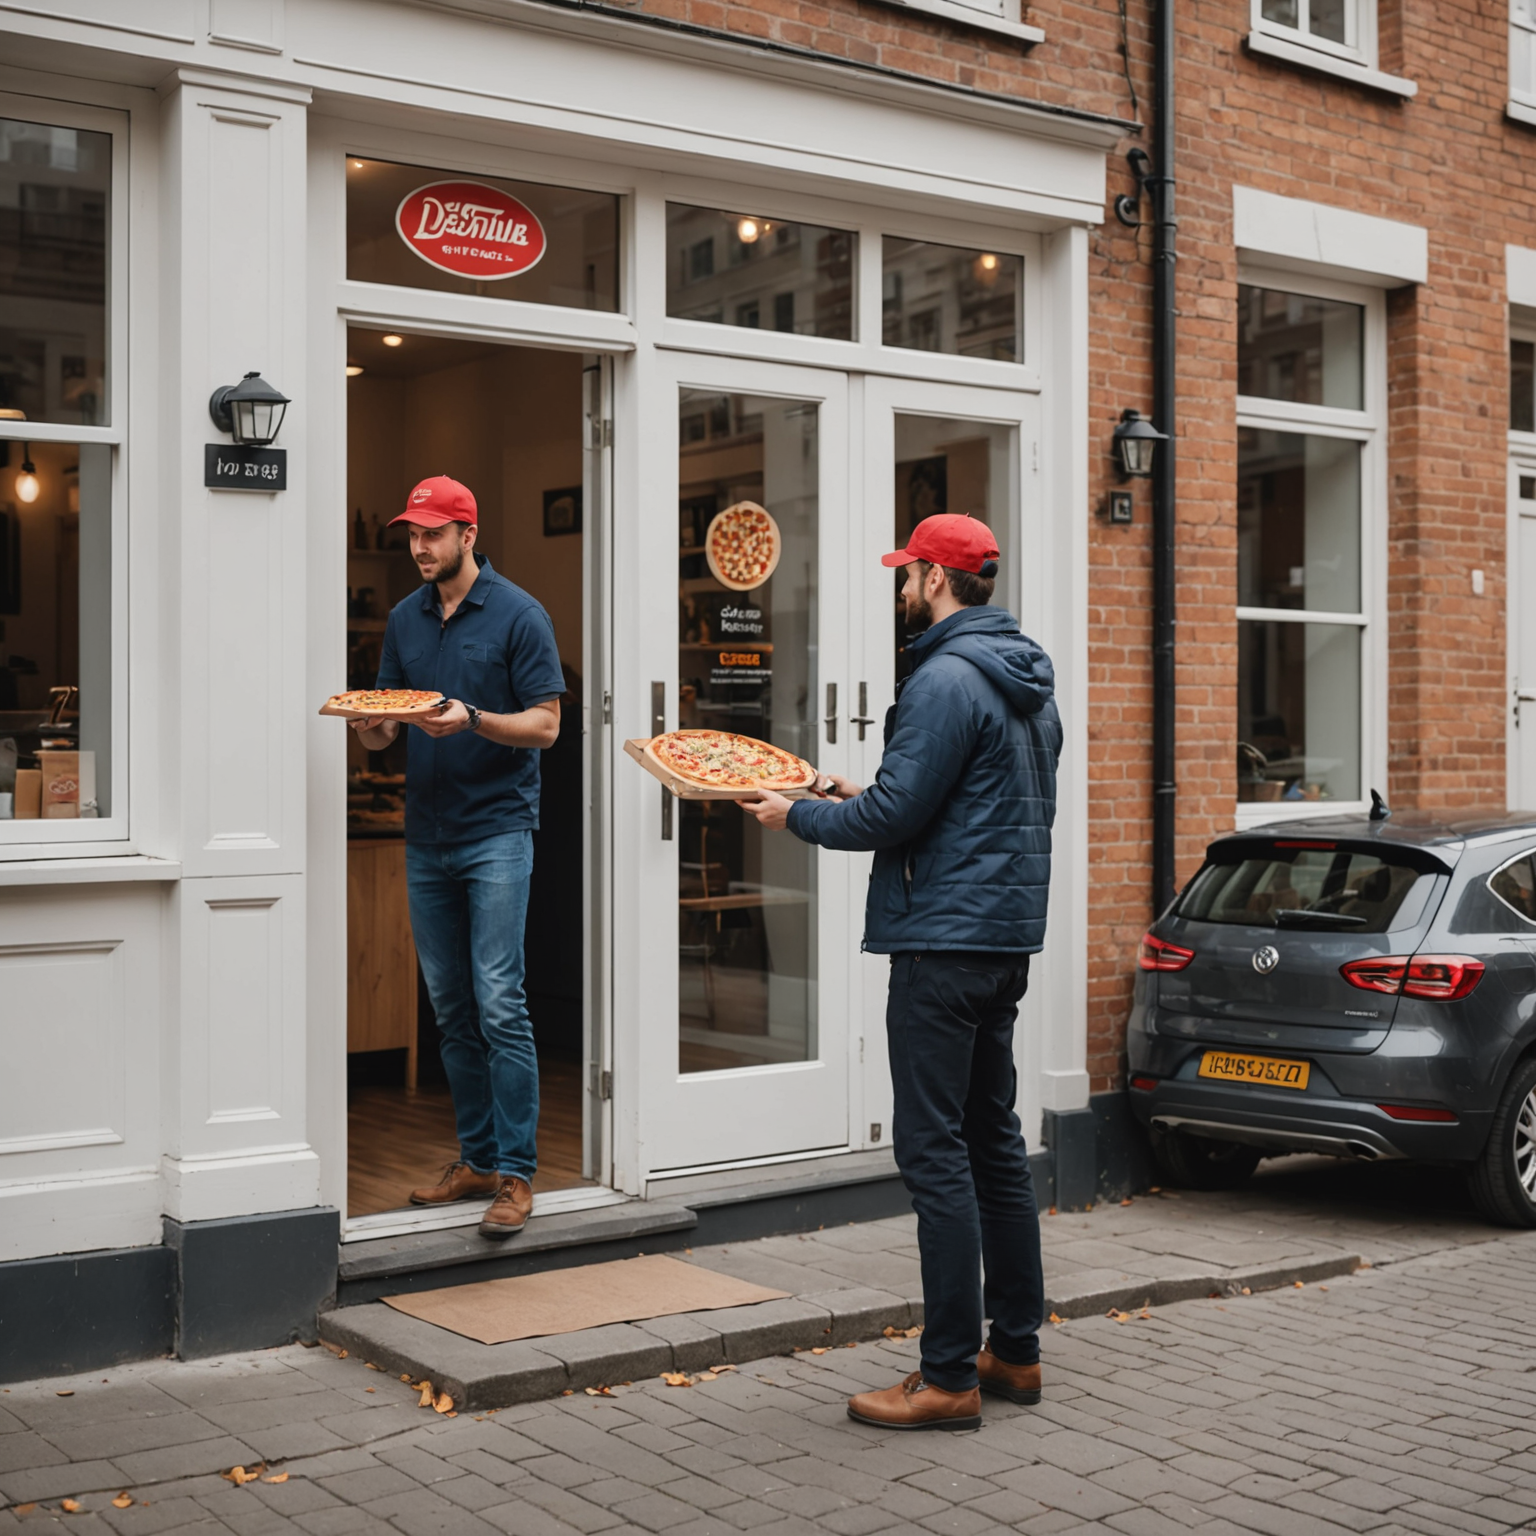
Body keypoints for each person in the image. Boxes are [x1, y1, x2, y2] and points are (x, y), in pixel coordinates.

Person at [742, 513, 1062, 1431]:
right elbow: (963, 803)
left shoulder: (942, 677)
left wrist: (797, 816)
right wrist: (857, 790)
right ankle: (1016, 1352)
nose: (901, 588)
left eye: (908, 574)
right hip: (1002, 941)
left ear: (936, 579)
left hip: (941, 944)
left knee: (934, 1153)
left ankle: (948, 1375)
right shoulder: (1026, 679)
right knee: (994, 1142)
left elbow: (897, 819)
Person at [351, 475, 565, 1240]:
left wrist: (472, 718)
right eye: (412, 534)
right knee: (450, 1008)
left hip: (498, 831)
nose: (419, 546)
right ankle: (475, 1158)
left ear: (468, 535)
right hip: (426, 835)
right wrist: (372, 726)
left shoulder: (520, 615)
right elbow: (389, 721)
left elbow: (546, 726)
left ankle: (516, 1174)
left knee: (499, 1000)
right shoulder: (404, 619)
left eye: (433, 533)